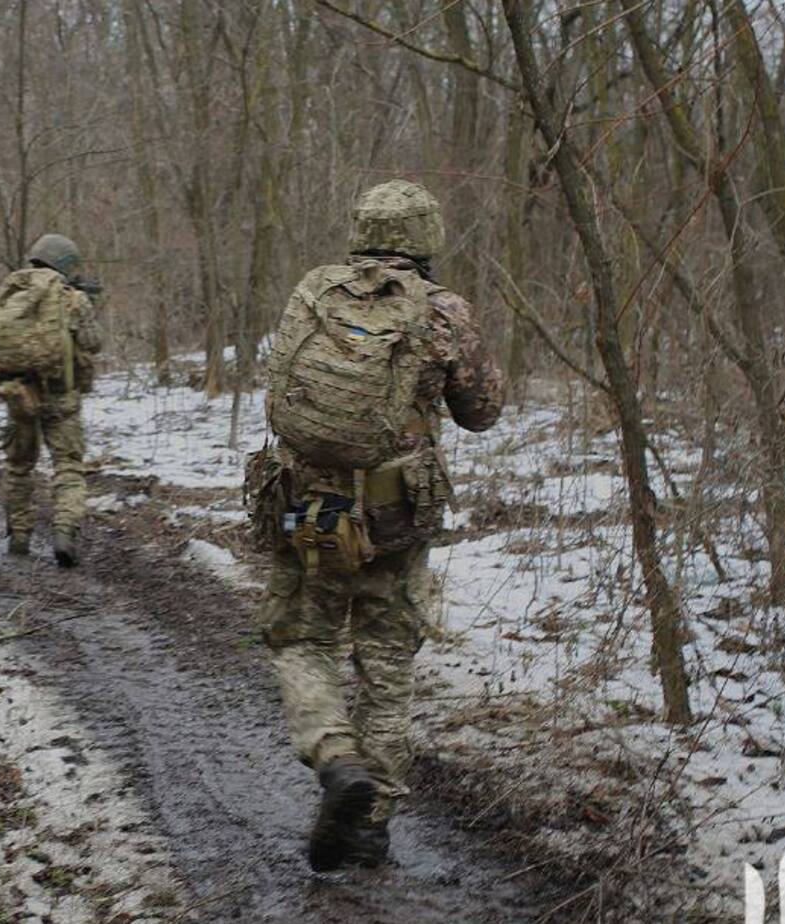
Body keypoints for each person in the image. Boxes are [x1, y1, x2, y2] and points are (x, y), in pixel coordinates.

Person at [249, 179, 503, 871]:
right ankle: (372, 824)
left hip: (305, 512)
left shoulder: (315, 292)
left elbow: (278, 384)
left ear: (360, 230)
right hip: (393, 519)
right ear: (427, 237)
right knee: (387, 670)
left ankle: (334, 755)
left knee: (300, 640)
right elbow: (483, 412)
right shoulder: (442, 311)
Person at [0, 233, 102, 567]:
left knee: (19, 465)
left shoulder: (12, 291)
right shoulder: (71, 298)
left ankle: (19, 536)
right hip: (60, 396)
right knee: (67, 467)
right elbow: (93, 342)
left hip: (19, 393)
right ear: (65, 263)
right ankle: (64, 533)